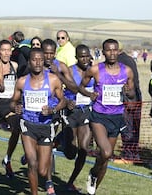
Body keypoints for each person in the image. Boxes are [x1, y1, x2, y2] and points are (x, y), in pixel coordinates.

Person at [78, 39, 135, 195]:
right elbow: (81, 86)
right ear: (103, 52)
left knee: (105, 160)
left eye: (115, 50)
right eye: (108, 50)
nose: (112, 53)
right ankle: (93, 172)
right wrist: (90, 94)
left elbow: (132, 92)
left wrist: (127, 92)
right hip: (99, 116)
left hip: (117, 117)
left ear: (118, 51)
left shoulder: (127, 71)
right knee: (107, 152)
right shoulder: (95, 70)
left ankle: (94, 184)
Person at [11, 48, 66, 195]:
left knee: (42, 170)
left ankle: (30, 158)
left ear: (44, 62)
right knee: (32, 164)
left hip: (46, 126)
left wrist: (52, 110)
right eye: (34, 59)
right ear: (29, 62)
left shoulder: (53, 80)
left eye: (40, 60)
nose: (37, 63)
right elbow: (13, 102)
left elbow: (63, 101)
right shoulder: (22, 82)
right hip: (28, 124)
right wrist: (16, 107)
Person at [63, 44, 93, 192]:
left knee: (83, 150)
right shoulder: (70, 71)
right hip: (71, 113)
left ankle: (70, 182)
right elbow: (59, 91)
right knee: (70, 153)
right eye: (82, 56)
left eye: (87, 55)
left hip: (86, 112)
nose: (85, 59)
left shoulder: (94, 71)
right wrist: (67, 101)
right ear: (76, 57)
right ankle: (59, 139)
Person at [0, 39, 20, 178]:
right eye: (3, 50)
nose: (6, 53)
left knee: (17, 128)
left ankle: (7, 159)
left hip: (9, 104)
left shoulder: (14, 65)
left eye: (9, 50)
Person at [117, 43, 142, 161]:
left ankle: (128, 155)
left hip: (127, 98)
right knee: (135, 127)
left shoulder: (119, 61)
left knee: (127, 126)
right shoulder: (130, 59)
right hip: (136, 96)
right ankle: (134, 153)